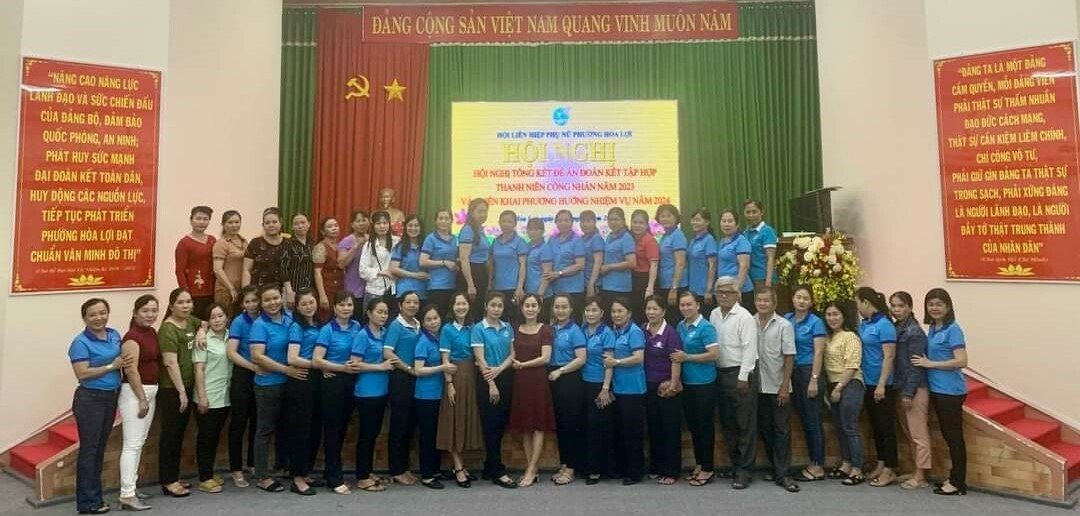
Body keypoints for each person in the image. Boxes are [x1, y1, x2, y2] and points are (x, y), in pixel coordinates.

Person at [69, 298, 130, 515]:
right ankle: (88, 503)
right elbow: (82, 373)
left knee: (99, 449)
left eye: (102, 313)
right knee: (90, 450)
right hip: (90, 400)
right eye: (93, 314)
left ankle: (96, 497)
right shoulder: (80, 342)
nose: (98, 318)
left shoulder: (114, 335)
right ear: (85, 318)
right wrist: (111, 366)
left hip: (110, 397)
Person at [249, 283, 304, 493]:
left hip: (288, 385)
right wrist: (285, 370)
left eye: (275, 298)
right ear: (261, 303)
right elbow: (257, 356)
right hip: (268, 385)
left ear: (281, 297)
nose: (272, 303)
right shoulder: (259, 325)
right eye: (267, 300)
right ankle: (262, 476)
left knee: (285, 428)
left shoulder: (290, 319)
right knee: (264, 430)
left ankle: (283, 467)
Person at [913, 288, 968, 496]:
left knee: (954, 438)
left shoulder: (953, 329)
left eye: (939, 304)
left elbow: (961, 360)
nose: (934, 308)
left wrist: (931, 364)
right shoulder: (933, 328)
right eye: (931, 304)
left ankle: (958, 483)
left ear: (948, 307)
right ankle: (953, 478)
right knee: (948, 436)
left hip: (951, 391)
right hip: (936, 389)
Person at [313, 293, 365, 494]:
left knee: (342, 428)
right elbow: (317, 360)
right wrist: (338, 367)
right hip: (333, 383)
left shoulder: (357, 327)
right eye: (342, 305)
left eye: (349, 305)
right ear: (334, 308)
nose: (346, 308)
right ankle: (335, 479)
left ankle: (330, 472)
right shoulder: (327, 329)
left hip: (351, 382)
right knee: (333, 431)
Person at [710, 275, 758, 489]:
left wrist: (743, 377)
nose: (723, 295)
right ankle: (735, 464)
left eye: (728, 292)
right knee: (728, 423)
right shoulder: (714, 314)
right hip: (720, 374)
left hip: (740, 375)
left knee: (744, 425)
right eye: (720, 292)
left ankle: (745, 471)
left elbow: (750, 349)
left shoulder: (744, 317)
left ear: (737, 294)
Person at [348, 298, 399, 493]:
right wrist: (380, 367)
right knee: (366, 435)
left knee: (374, 433)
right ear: (369, 313)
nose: (383, 316)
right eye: (379, 312)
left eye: (385, 312)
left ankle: (368, 472)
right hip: (366, 392)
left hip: (382, 391)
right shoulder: (362, 335)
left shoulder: (385, 333)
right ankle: (362, 477)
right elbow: (354, 364)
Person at [753, 287, 799, 492]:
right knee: (765, 429)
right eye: (759, 300)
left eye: (766, 301)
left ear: (774, 303)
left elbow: (789, 356)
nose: (762, 304)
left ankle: (784, 474)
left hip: (778, 386)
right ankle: (776, 468)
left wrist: (784, 387)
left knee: (782, 431)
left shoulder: (784, 325)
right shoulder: (749, 322)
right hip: (757, 387)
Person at [471, 292, 518, 488]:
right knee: (491, 425)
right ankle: (498, 471)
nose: (496, 309)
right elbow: (480, 359)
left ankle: (489, 466)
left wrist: (500, 368)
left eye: (500, 306)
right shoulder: (478, 328)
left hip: (505, 376)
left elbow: (512, 354)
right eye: (493, 305)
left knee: (500, 424)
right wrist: (491, 382)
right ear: (486, 306)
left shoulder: (508, 327)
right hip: (487, 380)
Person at [116, 295, 159, 511]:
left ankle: (131, 487)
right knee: (132, 444)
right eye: (145, 311)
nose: (150, 315)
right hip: (135, 394)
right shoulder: (131, 337)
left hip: (150, 391)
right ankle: (126, 494)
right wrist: (142, 398)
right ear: (135, 313)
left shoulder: (151, 332)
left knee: (139, 442)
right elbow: (131, 370)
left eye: (154, 310)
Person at [509, 295, 556, 487]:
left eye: (533, 305)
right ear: (521, 308)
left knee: (538, 426)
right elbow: (511, 353)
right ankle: (532, 469)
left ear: (539, 308)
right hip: (520, 382)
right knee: (525, 426)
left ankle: (531, 469)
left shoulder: (545, 329)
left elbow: (546, 358)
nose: (530, 309)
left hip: (538, 381)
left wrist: (523, 365)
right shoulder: (515, 329)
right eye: (527, 305)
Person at [672, 291, 719, 486]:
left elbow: (714, 354)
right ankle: (700, 464)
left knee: (705, 427)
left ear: (698, 305)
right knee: (694, 427)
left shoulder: (705, 327)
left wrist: (688, 357)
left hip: (704, 384)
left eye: (689, 304)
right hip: (688, 384)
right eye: (682, 305)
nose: (685, 308)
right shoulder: (680, 326)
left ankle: (708, 468)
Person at [158, 288, 202, 497]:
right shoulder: (168, 329)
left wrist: (201, 331)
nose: (185, 306)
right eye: (181, 302)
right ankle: (168, 481)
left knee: (179, 434)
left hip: (187, 386)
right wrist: (182, 392)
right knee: (171, 435)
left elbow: (205, 323)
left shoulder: (190, 321)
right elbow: (170, 362)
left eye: (188, 301)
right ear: (171, 306)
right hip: (172, 390)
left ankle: (174, 476)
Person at [437, 293, 483, 488]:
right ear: (452, 306)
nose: (461, 307)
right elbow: (445, 360)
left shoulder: (473, 327)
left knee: (465, 419)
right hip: (455, 376)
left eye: (464, 303)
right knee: (454, 420)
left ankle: (462, 465)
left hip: (471, 376)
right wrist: (449, 384)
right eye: (457, 304)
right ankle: (457, 467)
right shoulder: (447, 329)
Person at [855, 286, 899, 487]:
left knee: (886, 427)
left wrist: (881, 384)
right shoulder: (866, 323)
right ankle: (881, 463)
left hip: (882, 384)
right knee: (876, 427)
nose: (857, 307)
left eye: (858, 303)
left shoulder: (884, 325)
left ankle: (890, 469)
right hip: (868, 382)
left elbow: (889, 356)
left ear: (866, 302)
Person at [785, 286, 828, 482]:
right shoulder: (787, 319)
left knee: (813, 421)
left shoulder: (816, 322)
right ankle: (812, 462)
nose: (801, 301)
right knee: (803, 419)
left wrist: (814, 379)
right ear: (793, 299)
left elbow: (819, 353)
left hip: (808, 372)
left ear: (811, 302)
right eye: (798, 297)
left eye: (806, 298)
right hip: (791, 372)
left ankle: (817, 465)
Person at [603, 297, 647, 485]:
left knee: (633, 432)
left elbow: (638, 358)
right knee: (621, 430)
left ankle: (635, 472)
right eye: (613, 311)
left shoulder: (634, 331)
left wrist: (617, 362)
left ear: (629, 313)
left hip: (633, 389)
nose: (616, 314)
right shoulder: (615, 330)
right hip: (618, 388)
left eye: (620, 311)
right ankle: (622, 468)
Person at [822, 301, 866, 486]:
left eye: (836, 314)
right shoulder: (828, 337)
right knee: (839, 427)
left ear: (844, 316)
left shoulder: (850, 336)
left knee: (850, 427)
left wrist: (839, 388)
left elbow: (852, 365)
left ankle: (858, 469)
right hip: (833, 384)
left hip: (850, 384)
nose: (832, 318)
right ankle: (846, 464)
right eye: (829, 314)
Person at [413, 304, 457, 489]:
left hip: (440, 393)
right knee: (428, 435)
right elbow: (418, 369)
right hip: (426, 395)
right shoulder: (423, 341)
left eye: (435, 318)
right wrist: (442, 367)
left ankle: (436, 470)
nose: (433, 322)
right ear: (423, 323)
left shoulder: (442, 337)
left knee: (438, 433)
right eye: (429, 319)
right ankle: (427, 475)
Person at [890, 291, 931, 490]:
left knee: (918, 434)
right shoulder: (897, 328)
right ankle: (916, 470)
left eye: (900, 306)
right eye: (893, 306)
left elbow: (916, 366)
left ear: (909, 307)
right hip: (901, 385)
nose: (896, 310)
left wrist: (908, 393)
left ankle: (921, 475)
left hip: (915, 388)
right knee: (909, 433)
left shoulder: (914, 332)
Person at [383, 291, 423, 485]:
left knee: (409, 424)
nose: (412, 305)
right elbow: (387, 352)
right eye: (408, 302)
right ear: (400, 305)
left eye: (415, 302)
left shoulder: (417, 324)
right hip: (401, 378)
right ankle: (396, 469)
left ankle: (404, 467)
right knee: (399, 424)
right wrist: (407, 368)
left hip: (415, 378)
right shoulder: (396, 325)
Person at [547, 294, 588, 486]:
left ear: (571, 309)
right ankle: (564, 464)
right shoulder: (551, 328)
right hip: (553, 378)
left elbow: (581, 358)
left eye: (564, 307)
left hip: (569, 379)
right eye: (557, 307)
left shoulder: (575, 330)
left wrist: (561, 371)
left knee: (571, 424)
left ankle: (571, 467)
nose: (560, 310)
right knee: (561, 424)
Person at [641, 295, 683, 486]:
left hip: (666, 386)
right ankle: (657, 467)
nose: (651, 312)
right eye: (648, 309)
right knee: (654, 428)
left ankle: (671, 471)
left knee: (670, 429)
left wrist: (673, 384)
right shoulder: (643, 329)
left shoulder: (670, 333)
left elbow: (676, 360)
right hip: (648, 386)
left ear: (663, 311)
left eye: (655, 309)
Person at [284, 290, 322, 496]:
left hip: (315, 381)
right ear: (297, 307)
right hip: (301, 381)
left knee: (313, 428)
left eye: (311, 302)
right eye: (304, 304)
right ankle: (296, 477)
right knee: (300, 430)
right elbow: (292, 358)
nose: (309, 306)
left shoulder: (317, 324)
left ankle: (306, 471)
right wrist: (318, 364)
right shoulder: (296, 327)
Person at [193, 304, 233, 494]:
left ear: (227, 317)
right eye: (213, 317)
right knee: (206, 438)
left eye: (220, 316)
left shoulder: (231, 337)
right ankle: (204, 477)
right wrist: (202, 397)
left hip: (225, 397)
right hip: (208, 396)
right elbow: (198, 370)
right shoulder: (203, 340)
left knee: (215, 436)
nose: (217, 320)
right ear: (207, 321)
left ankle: (209, 471)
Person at [226, 286, 260, 488]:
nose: (252, 304)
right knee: (238, 424)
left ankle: (253, 463)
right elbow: (232, 353)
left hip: (262, 377)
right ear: (242, 305)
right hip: (243, 375)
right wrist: (252, 367)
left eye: (255, 300)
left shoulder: (265, 319)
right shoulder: (239, 322)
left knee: (257, 422)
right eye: (247, 301)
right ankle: (236, 469)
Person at [581, 296, 615, 485]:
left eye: (594, 310)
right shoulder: (582, 329)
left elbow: (609, 363)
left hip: (600, 385)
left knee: (600, 427)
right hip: (583, 383)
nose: (590, 313)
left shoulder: (607, 332)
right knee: (587, 426)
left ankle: (599, 470)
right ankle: (589, 466)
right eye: (588, 310)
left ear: (602, 313)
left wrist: (605, 388)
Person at [176, 206, 217, 319]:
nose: (202, 222)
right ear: (191, 220)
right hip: (194, 293)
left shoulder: (212, 240)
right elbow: (179, 271)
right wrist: (186, 295)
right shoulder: (184, 243)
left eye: (205, 219)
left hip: (213, 290)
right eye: (198, 218)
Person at [546, 210, 586, 322]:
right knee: (557, 320)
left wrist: (559, 273)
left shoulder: (577, 240)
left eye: (566, 220)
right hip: (556, 288)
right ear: (556, 222)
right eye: (560, 220)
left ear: (572, 222)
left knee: (574, 320)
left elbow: (580, 265)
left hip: (574, 289)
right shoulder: (552, 240)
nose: (563, 223)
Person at [489, 210, 528, 325]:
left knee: (514, 320)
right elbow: (492, 264)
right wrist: (490, 284)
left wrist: (519, 287)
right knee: (499, 319)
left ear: (515, 224)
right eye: (503, 221)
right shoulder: (495, 241)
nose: (506, 224)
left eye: (509, 222)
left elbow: (523, 265)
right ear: (499, 223)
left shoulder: (520, 242)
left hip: (513, 288)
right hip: (497, 288)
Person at [420, 209, 460, 316]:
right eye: (440, 218)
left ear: (451, 221)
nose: (443, 221)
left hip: (453, 286)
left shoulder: (455, 239)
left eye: (447, 218)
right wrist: (444, 262)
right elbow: (423, 261)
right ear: (435, 221)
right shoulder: (430, 238)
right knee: (437, 318)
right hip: (436, 287)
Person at [359, 211, 400, 313]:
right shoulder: (368, 245)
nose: (382, 226)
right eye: (378, 223)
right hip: (374, 290)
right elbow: (362, 270)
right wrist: (383, 273)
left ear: (389, 224)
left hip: (393, 289)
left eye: (385, 223)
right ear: (373, 226)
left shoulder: (397, 241)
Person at [598, 208, 637, 313]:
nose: (613, 222)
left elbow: (632, 263)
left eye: (616, 219)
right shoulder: (609, 236)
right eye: (610, 219)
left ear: (623, 221)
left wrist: (610, 267)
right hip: (607, 285)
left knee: (618, 316)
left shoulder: (626, 238)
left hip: (620, 287)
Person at [458, 198, 491, 320]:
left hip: (481, 273)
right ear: (472, 213)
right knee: (471, 311)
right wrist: (470, 284)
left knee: (479, 310)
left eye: (485, 211)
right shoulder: (468, 229)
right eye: (480, 211)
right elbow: (464, 259)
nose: (483, 215)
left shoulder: (480, 229)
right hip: (472, 273)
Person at [654, 204, 687, 325]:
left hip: (675, 287)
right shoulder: (665, 236)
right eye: (662, 216)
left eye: (669, 216)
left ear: (676, 218)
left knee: (675, 320)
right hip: (665, 285)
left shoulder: (677, 235)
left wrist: (674, 288)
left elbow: (680, 263)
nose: (665, 218)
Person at [716, 209, 754, 311]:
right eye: (724, 221)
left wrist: (737, 289)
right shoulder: (723, 241)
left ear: (737, 224)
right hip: (725, 289)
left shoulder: (741, 241)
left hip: (740, 291)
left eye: (730, 221)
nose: (726, 224)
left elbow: (744, 266)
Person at [390, 214, 430, 308]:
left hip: (423, 291)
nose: (413, 228)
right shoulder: (400, 247)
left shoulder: (427, 245)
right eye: (410, 225)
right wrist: (415, 275)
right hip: (405, 291)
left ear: (421, 228)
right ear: (405, 227)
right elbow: (393, 269)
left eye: (416, 226)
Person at [213, 210, 247, 315]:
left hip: (242, 289)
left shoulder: (244, 241)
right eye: (230, 222)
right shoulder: (221, 243)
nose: (234, 225)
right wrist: (231, 288)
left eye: (237, 222)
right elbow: (217, 269)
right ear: (223, 224)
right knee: (225, 320)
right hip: (225, 290)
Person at [337, 210, 370, 319]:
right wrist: (356, 246)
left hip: (370, 289)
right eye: (358, 221)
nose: (361, 223)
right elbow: (341, 264)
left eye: (364, 220)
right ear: (352, 224)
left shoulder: (372, 239)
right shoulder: (347, 241)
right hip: (353, 289)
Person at [243, 208, 287, 289]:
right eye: (267, 223)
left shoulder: (288, 243)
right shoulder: (255, 243)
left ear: (280, 223)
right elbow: (246, 270)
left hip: (281, 290)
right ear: (263, 225)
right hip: (258, 289)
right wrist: (246, 292)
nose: (271, 225)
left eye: (274, 222)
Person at [629, 209, 659, 325]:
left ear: (646, 225)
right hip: (635, 278)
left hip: (646, 279)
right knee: (635, 312)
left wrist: (650, 288)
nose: (637, 225)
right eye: (635, 222)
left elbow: (654, 265)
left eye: (641, 223)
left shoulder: (650, 240)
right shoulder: (631, 239)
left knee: (645, 313)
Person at [687, 208, 718, 315]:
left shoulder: (709, 240)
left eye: (697, 220)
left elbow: (712, 265)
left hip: (704, 291)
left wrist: (709, 290)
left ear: (707, 222)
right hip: (693, 289)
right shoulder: (693, 240)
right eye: (693, 220)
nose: (694, 222)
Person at [312, 217, 344, 321]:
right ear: (322, 231)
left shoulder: (340, 245)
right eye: (330, 226)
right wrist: (322, 295)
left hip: (339, 288)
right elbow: (317, 272)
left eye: (336, 225)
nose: (334, 228)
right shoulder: (320, 247)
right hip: (326, 289)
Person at [742, 200, 779, 289]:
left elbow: (770, 258)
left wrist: (768, 282)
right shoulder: (746, 232)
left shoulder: (767, 231)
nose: (751, 215)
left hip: (763, 277)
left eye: (754, 212)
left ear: (761, 212)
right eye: (748, 212)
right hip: (749, 278)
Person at [282, 213, 316, 308]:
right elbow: (283, 268)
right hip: (293, 290)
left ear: (309, 224)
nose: (300, 226)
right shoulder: (287, 243)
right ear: (292, 227)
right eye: (296, 224)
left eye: (303, 222)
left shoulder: (313, 243)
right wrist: (289, 291)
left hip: (310, 290)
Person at [524, 218, 553, 304]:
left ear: (542, 231)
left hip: (542, 295)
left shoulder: (545, 248)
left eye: (536, 229)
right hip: (528, 293)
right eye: (530, 229)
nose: (533, 232)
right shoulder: (526, 246)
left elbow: (547, 274)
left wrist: (540, 295)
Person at [580, 210, 606, 304]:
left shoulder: (596, 238)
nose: (585, 224)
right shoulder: (582, 239)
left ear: (594, 222)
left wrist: (591, 283)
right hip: (583, 282)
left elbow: (598, 262)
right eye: (582, 221)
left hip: (594, 284)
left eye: (588, 221)